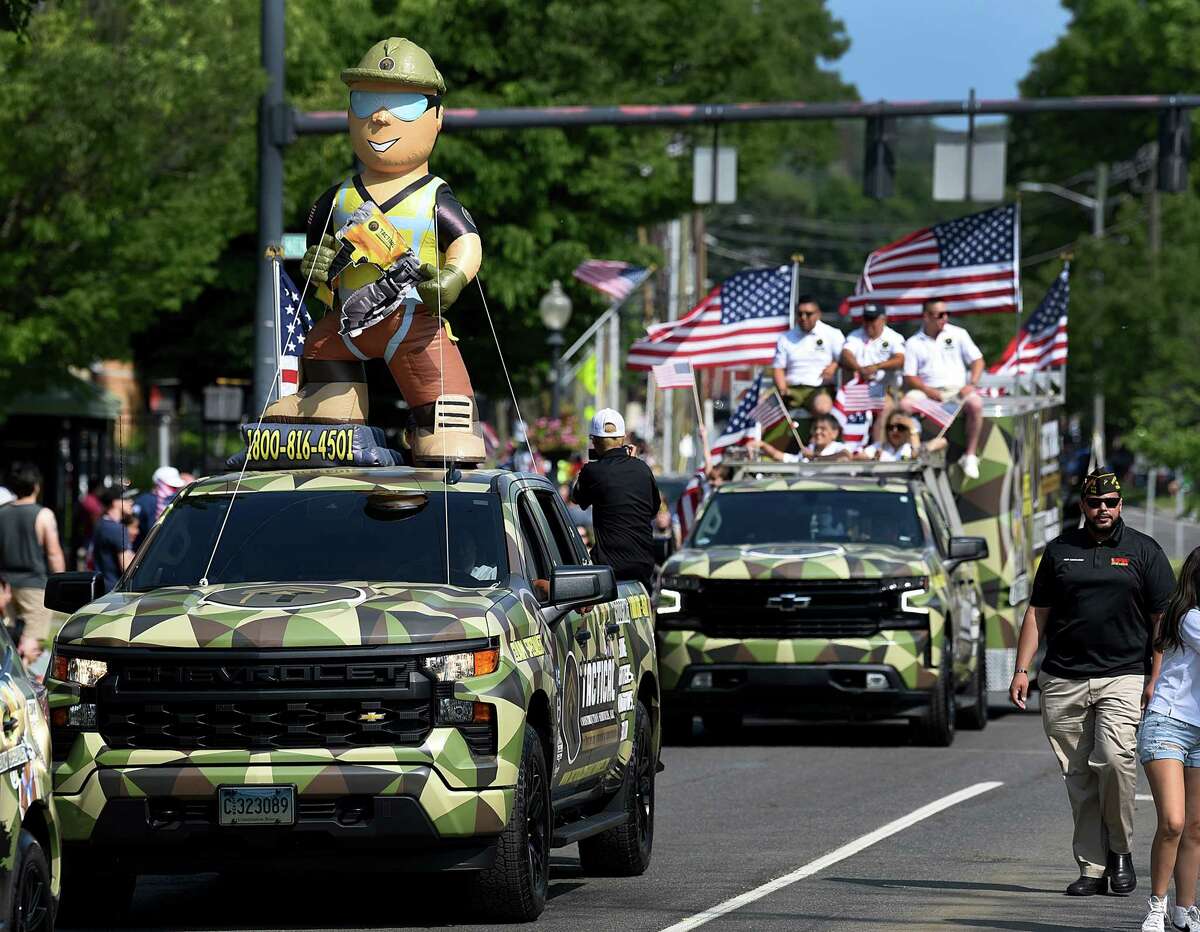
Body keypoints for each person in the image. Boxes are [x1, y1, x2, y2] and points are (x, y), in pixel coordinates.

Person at [266, 38, 486, 464]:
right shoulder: (338, 198)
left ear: (435, 117)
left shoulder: (433, 196)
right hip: (348, 318)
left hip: (412, 320)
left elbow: (467, 241)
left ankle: (439, 421)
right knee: (320, 346)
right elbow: (317, 251)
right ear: (350, 113)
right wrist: (317, 265)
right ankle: (330, 401)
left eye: (404, 106)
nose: (381, 117)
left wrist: (454, 277)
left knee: (440, 395)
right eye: (366, 101)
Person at [1009, 468, 1175, 897]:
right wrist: (1022, 668)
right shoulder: (1061, 550)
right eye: (1095, 503)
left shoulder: (1144, 551)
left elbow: (1162, 621)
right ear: (1083, 505)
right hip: (1063, 678)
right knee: (1078, 775)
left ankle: (1120, 852)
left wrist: (1154, 680)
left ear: (1120, 505)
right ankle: (1092, 866)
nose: (1103, 509)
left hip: (1123, 675)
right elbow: (1037, 612)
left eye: (1111, 503)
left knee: (1115, 759)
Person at [1138, 547, 1200, 932]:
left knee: (1196, 827)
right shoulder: (1189, 618)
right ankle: (1157, 905)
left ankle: (1186, 909)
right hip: (1169, 723)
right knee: (1173, 822)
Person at [570, 409, 660, 590]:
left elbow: (577, 498)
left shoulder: (592, 471)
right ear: (623, 439)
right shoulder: (643, 469)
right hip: (643, 569)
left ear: (594, 441)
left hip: (609, 570)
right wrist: (632, 464)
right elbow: (653, 509)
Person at [900, 298, 985, 479]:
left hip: (957, 390)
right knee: (906, 404)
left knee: (976, 404)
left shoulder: (958, 333)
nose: (944, 318)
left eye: (947, 314)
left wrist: (971, 384)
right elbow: (909, 376)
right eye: (939, 315)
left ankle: (969, 455)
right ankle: (912, 446)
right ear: (926, 316)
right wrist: (929, 391)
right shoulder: (914, 342)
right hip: (927, 392)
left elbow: (977, 360)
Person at [0, 463, 65, 662]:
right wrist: (61, 581)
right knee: (31, 640)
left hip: (5, 585)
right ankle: (23, 684)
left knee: (6, 637)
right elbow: (53, 553)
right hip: (35, 585)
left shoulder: (1, 513)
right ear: (37, 486)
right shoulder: (43, 515)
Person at [771, 295, 845, 420]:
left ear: (818, 314)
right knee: (761, 407)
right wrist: (783, 390)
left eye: (808, 314)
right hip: (791, 389)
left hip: (819, 388)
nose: (803, 318)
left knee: (823, 406)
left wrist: (834, 366)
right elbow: (778, 368)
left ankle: (819, 437)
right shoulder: (785, 338)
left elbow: (844, 358)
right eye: (800, 314)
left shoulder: (833, 334)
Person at [841, 302, 905, 444]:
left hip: (886, 388)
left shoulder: (894, 338)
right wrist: (860, 369)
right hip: (859, 388)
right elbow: (846, 354)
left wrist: (877, 367)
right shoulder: (855, 336)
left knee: (885, 408)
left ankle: (877, 449)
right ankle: (850, 447)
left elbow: (900, 360)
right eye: (866, 319)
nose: (868, 323)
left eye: (872, 319)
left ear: (883, 320)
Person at [753, 414, 850, 463]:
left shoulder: (839, 447)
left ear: (835, 433)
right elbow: (783, 457)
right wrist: (763, 445)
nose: (817, 432)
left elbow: (845, 456)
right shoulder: (808, 450)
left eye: (823, 429)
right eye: (815, 428)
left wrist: (815, 457)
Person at [92, 488, 136, 593]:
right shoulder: (116, 529)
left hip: (104, 589)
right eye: (126, 499)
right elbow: (127, 568)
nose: (131, 502)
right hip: (116, 591)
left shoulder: (101, 524)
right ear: (115, 502)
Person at [132, 466, 188, 543]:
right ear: (158, 483)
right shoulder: (143, 501)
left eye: (175, 487)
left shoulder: (180, 501)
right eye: (170, 486)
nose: (174, 490)